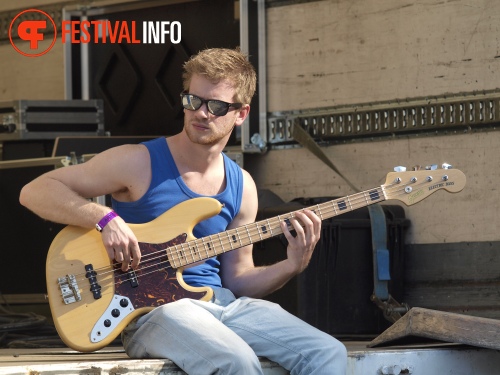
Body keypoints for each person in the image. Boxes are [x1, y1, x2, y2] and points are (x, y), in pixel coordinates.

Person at [19, 47, 347, 374]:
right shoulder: (137, 162)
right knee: (236, 361)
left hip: (222, 305)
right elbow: (35, 191)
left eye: (216, 105)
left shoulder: (242, 185)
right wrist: (103, 218)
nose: (201, 113)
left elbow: (238, 279)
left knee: (328, 353)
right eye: (193, 100)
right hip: (154, 311)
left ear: (241, 113)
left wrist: (291, 265)